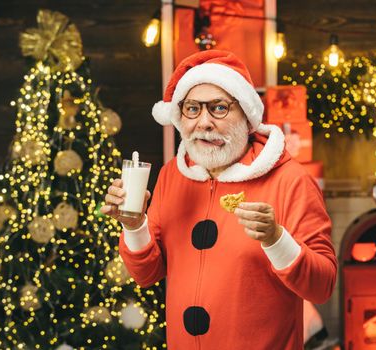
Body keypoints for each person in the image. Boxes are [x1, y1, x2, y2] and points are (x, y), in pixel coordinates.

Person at [101, 50, 337, 349]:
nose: (204, 122)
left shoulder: (289, 180)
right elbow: (147, 274)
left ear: (247, 116)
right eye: (192, 109)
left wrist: (276, 239)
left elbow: (322, 286)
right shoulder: (173, 175)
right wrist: (135, 225)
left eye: (219, 108)